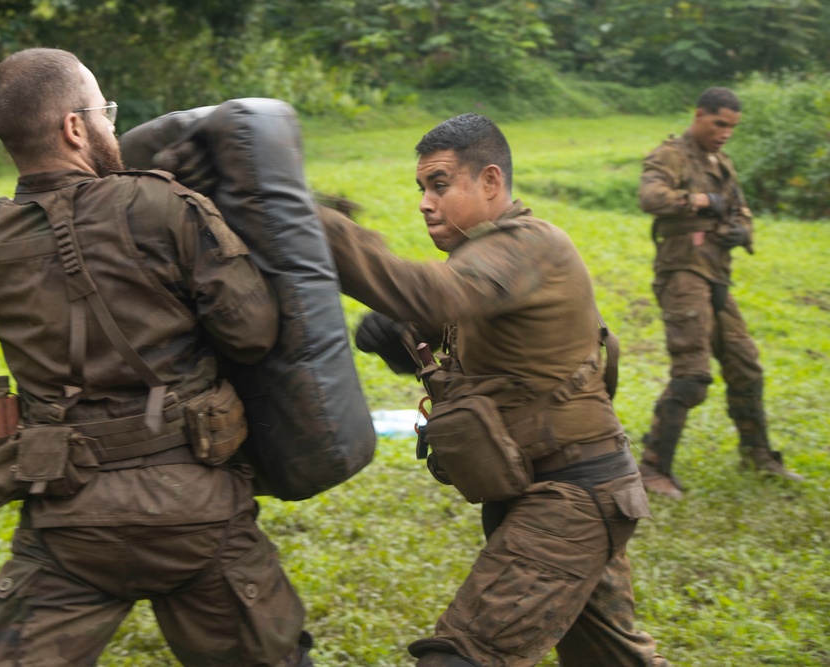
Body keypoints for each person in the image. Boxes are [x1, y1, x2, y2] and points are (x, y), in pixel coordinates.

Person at [0, 48, 311, 666]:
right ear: (75, 126)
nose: (112, 126)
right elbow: (253, 333)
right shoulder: (161, 206)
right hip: (197, 512)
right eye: (105, 112)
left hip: (67, 523)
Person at [318, 113, 668, 666]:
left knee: (460, 657)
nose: (425, 203)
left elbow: (433, 297)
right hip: (537, 490)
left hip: (571, 499)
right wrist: (399, 334)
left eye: (439, 185)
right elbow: (452, 329)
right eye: (421, 189)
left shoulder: (530, 246)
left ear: (489, 182)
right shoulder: (482, 261)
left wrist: (316, 226)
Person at [637, 86, 803, 500]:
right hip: (682, 274)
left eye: (732, 126)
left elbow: (741, 209)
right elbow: (651, 196)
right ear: (699, 116)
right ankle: (652, 469)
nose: (726, 132)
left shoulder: (723, 162)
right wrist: (698, 200)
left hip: (716, 277)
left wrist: (740, 230)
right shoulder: (671, 155)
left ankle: (758, 454)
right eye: (719, 124)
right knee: (692, 376)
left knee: (745, 366)